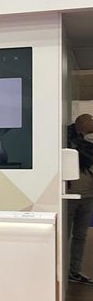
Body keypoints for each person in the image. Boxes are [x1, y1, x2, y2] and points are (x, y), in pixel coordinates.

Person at [65, 113, 93, 283]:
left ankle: (75, 271)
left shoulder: (87, 144)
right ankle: (62, 271)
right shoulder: (68, 141)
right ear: (81, 124)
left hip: (87, 195)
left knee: (80, 236)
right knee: (65, 234)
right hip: (69, 195)